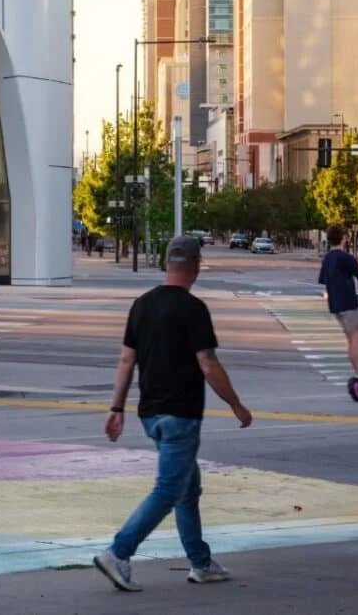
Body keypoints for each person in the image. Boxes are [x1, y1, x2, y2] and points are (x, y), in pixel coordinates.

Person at [95, 232, 253, 591]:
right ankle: (118, 553)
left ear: (166, 263)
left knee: (187, 487)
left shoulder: (142, 305)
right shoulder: (193, 309)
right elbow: (208, 364)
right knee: (169, 489)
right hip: (181, 414)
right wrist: (236, 404)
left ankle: (201, 562)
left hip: (151, 415)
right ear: (196, 267)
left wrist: (117, 407)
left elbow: (126, 360)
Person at [317, 223, 358, 387]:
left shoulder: (327, 259)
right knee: (356, 339)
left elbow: (325, 282)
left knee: (350, 340)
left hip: (335, 305)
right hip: (349, 303)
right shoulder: (346, 257)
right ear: (342, 238)